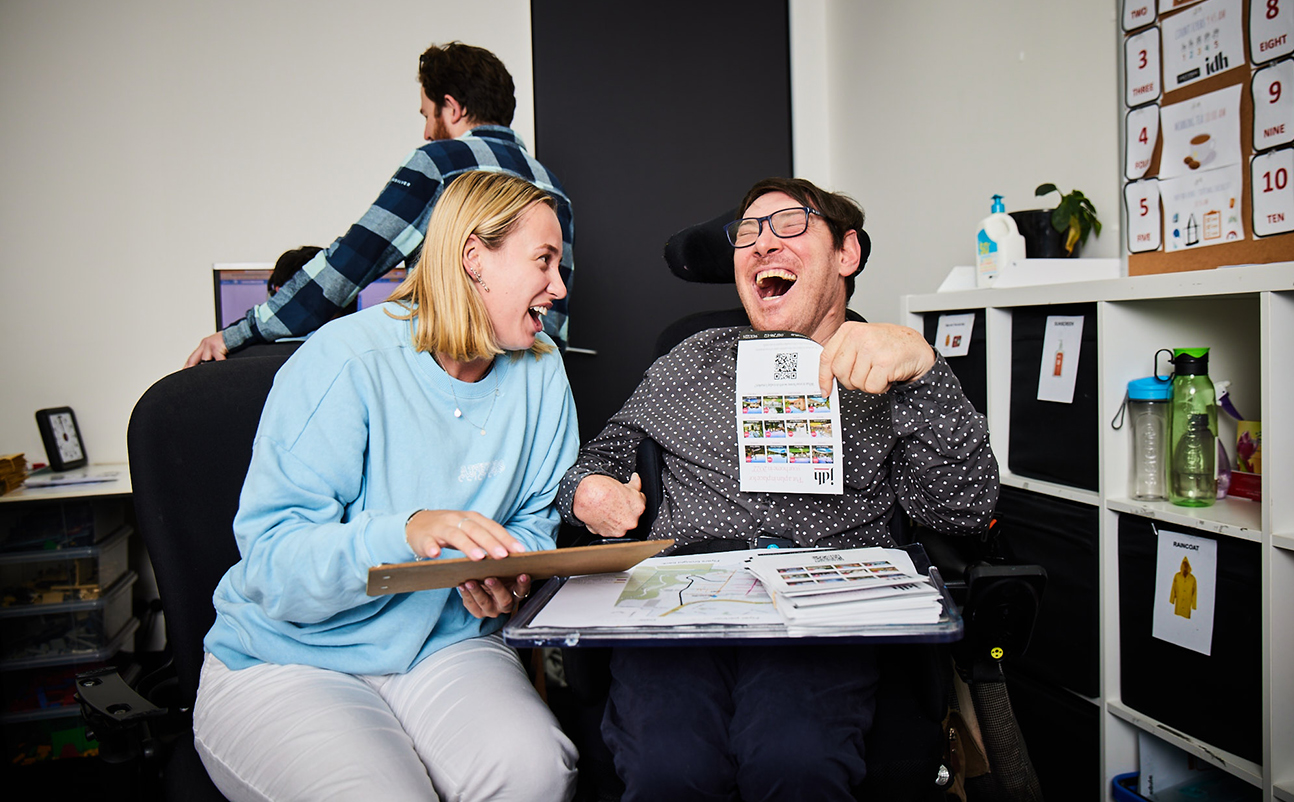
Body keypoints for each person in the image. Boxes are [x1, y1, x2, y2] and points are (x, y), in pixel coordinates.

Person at [557, 177, 998, 801]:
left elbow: (964, 514)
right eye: (748, 233)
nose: (763, 244)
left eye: (790, 224)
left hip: (823, 603)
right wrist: (589, 489)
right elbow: (602, 454)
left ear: (846, 254)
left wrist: (924, 366)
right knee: (670, 770)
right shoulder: (690, 359)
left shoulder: (893, 367)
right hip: (684, 599)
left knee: (794, 764)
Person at [193, 171, 579, 802]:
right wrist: (406, 533)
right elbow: (272, 562)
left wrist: (510, 572)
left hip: (442, 641)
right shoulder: (344, 361)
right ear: (474, 258)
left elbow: (537, 518)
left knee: (534, 771)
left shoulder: (542, 373)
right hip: (293, 654)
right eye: (544, 260)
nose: (557, 287)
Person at [186, 41, 574, 367]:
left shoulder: (439, 163)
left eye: (428, 114)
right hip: (530, 387)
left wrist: (242, 332)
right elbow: (550, 326)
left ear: (452, 108)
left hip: (442, 382)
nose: (426, 130)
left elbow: (349, 264)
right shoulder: (553, 188)